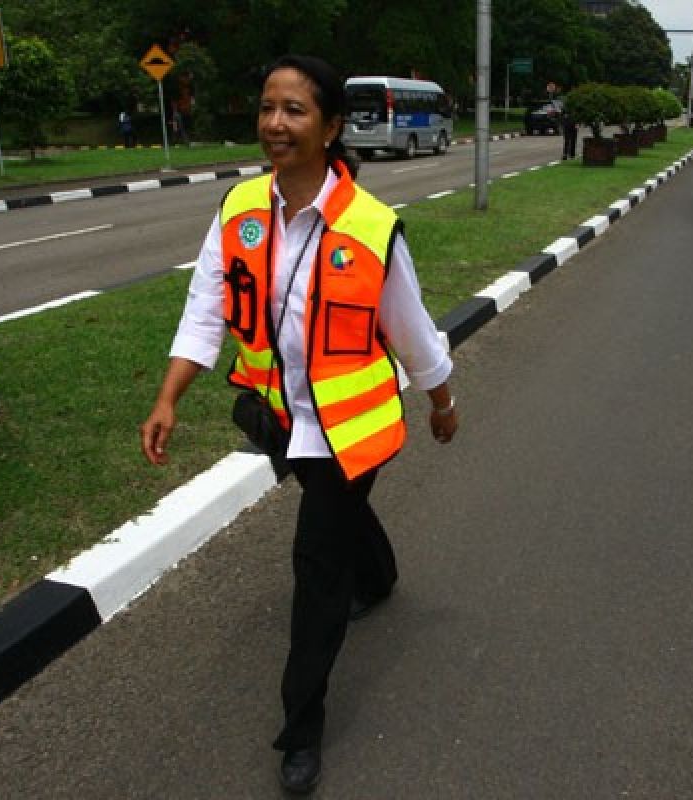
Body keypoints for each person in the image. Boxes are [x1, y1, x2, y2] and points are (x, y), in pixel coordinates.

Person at [139, 54, 458, 794]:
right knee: (337, 520)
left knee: (316, 568)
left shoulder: (373, 230)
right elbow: (206, 308)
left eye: (295, 111)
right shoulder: (239, 209)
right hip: (278, 417)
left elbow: (412, 332)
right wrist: (168, 398)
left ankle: (301, 730)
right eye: (267, 108)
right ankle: (378, 577)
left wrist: (443, 402)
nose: (275, 124)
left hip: (349, 426)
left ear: (331, 127)